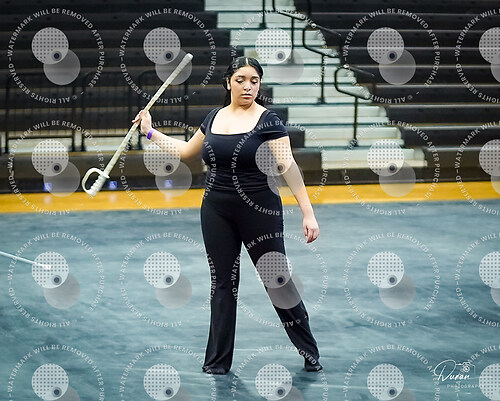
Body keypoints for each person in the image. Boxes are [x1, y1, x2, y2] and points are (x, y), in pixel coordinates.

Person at [133, 56, 322, 374]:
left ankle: (309, 350)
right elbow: (186, 152)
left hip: (260, 210)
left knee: (277, 281)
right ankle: (218, 362)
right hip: (216, 209)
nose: (248, 86)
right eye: (241, 80)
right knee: (222, 283)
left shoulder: (269, 121)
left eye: (254, 81)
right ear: (228, 83)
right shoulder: (213, 117)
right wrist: (150, 132)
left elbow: (287, 166)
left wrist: (308, 213)